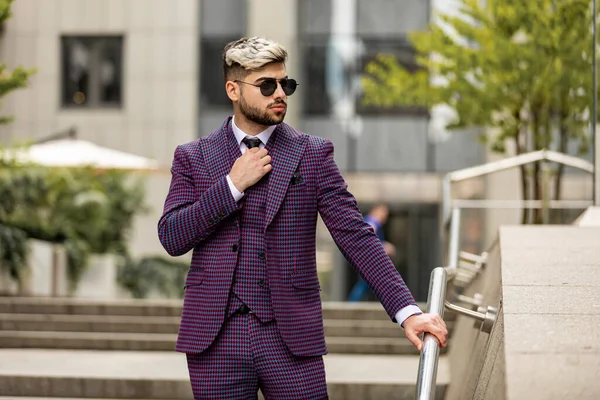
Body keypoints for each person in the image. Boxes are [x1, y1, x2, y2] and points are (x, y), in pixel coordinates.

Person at [158, 36, 447, 400]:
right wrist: (231, 185)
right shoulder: (193, 157)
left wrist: (407, 312)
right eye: (266, 85)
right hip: (216, 339)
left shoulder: (312, 154)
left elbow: (355, 235)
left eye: (286, 84)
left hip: (290, 337)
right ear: (233, 89)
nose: (279, 93)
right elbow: (171, 236)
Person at [347, 204, 396, 302]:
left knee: (368, 282)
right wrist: (384, 247)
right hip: (369, 258)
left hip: (366, 257)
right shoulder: (373, 221)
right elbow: (367, 236)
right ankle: (352, 302)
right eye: (383, 214)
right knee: (368, 282)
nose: (385, 217)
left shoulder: (368, 220)